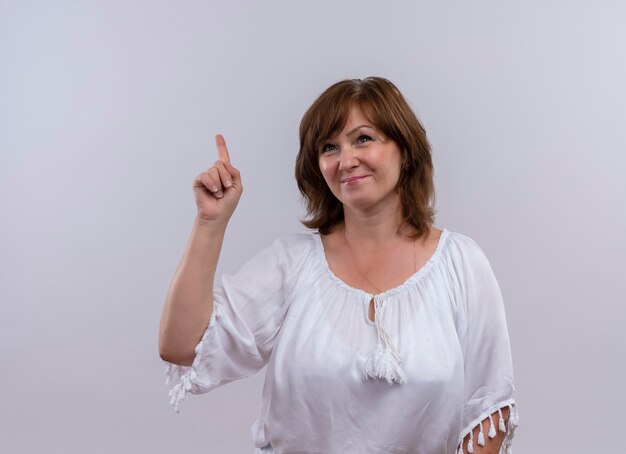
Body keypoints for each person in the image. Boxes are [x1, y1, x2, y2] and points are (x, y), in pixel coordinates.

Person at [159, 77, 519, 454]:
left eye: (363, 138)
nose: (346, 160)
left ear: (406, 151)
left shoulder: (461, 263)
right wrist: (210, 224)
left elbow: (488, 411)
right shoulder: (291, 266)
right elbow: (182, 345)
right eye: (330, 147)